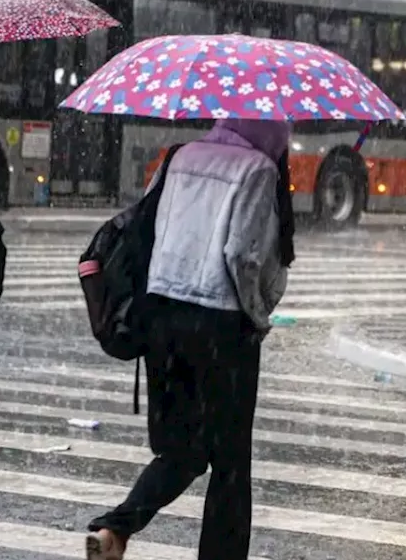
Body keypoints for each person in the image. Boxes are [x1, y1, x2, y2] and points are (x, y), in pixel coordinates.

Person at [85, 119, 294, 560]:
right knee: (230, 467)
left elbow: (152, 229)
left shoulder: (180, 156)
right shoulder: (258, 169)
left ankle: (115, 529)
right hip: (221, 325)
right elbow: (242, 255)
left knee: (181, 451)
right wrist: (258, 315)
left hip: (162, 317)